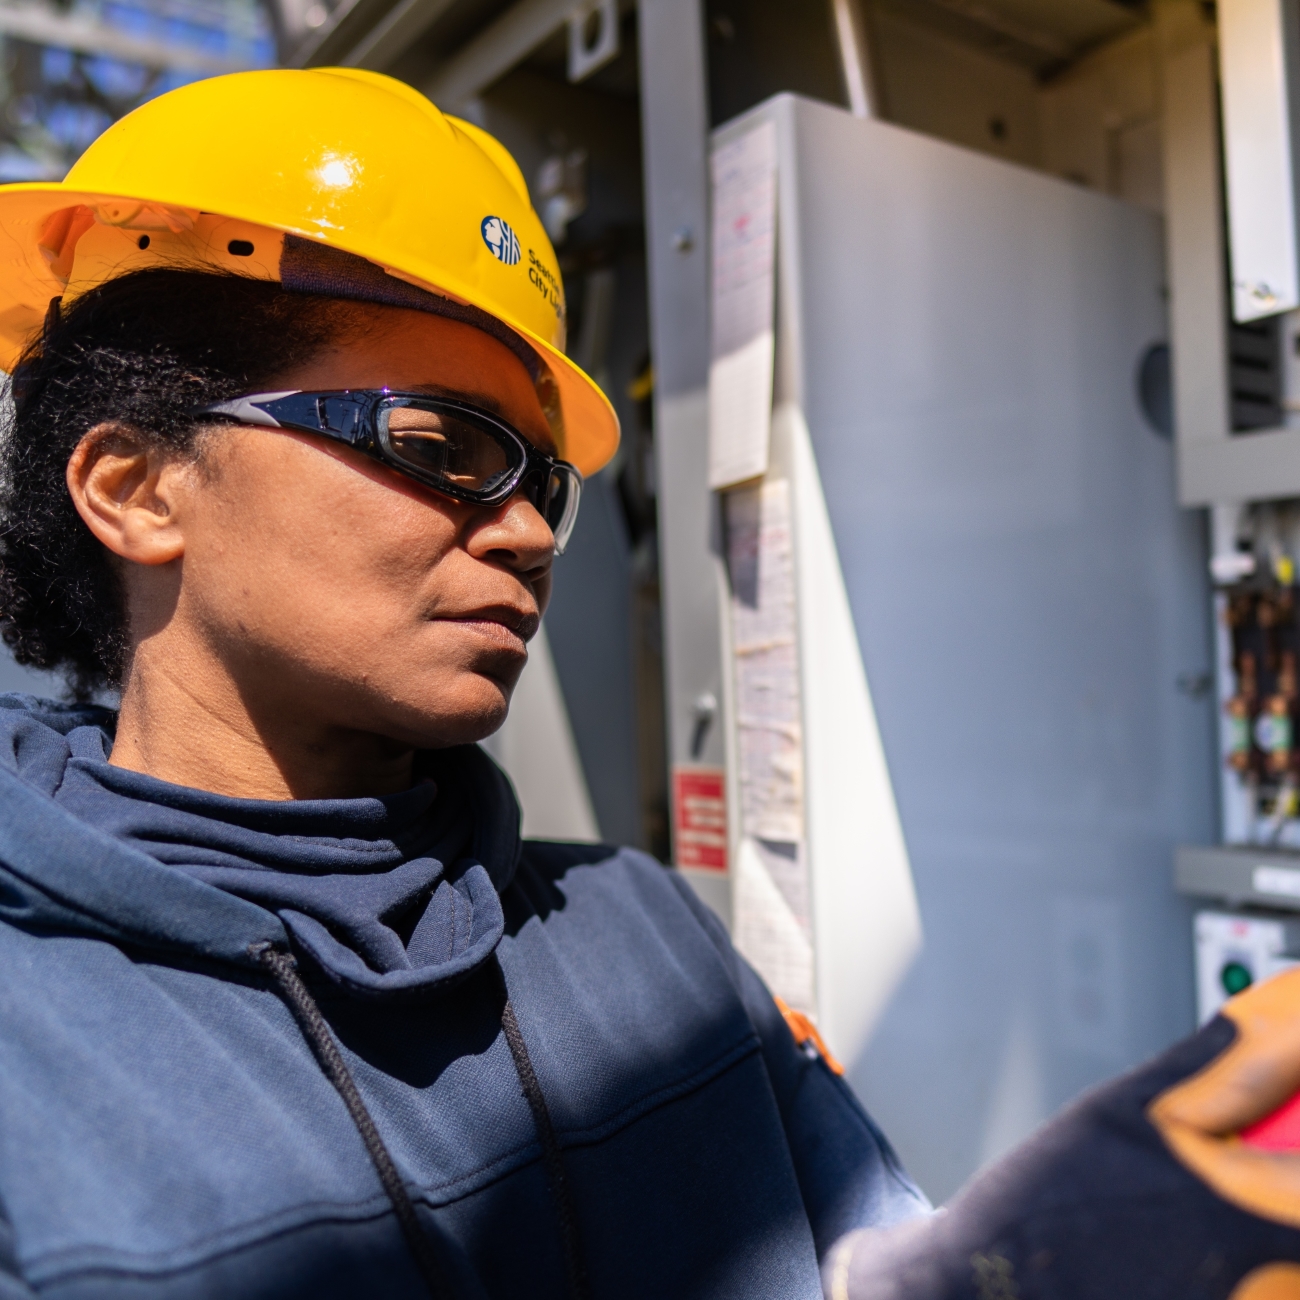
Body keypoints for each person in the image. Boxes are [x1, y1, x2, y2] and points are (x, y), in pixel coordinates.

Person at [0, 64, 1298, 1300]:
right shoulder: (33, 1059)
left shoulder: (644, 937)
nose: (520, 532)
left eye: (542, 484)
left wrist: (1029, 1260)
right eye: (441, 443)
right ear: (137, 486)